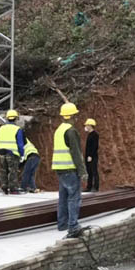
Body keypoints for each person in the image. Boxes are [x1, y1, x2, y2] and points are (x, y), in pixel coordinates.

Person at [52, 102, 87, 238]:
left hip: (60, 168)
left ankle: (62, 224)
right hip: (70, 169)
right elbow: (76, 153)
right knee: (74, 197)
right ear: (72, 116)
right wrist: (82, 171)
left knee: (63, 197)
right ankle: (73, 226)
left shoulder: (59, 130)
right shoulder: (71, 131)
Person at [0, 108, 25, 194]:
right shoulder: (17, 129)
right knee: (12, 171)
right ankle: (13, 188)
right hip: (12, 153)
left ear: (7, 118)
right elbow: (20, 143)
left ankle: (4, 187)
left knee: (3, 170)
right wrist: (22, 154)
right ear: (16, 118)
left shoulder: (1, 128)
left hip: (1, 152)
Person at [84, 118, 100, 192]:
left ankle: (96, 187)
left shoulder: (95, 135)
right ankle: (89, 187)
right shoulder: (89, 135)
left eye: (87, 125)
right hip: (88, 156)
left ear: (90, 125)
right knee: (89, 171)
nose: (86, 127)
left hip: (92, 157)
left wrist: (90, 156)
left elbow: (95, 146)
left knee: (94, 171)